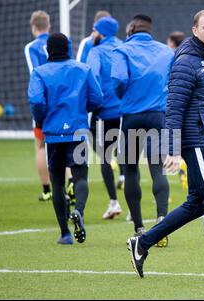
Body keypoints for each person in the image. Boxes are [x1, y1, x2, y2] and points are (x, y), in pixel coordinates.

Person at [127, 10, 204, 281]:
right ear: (195, 30)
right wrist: (172, 148)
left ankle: (142, 243)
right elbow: (173, 109)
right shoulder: (186, 62)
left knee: (197, 203)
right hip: (196, 142)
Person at [28, 33, 103, 245]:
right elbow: (97, 98)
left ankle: (65, 233)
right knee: (80, 177)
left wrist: (42, 120)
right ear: (68, 48)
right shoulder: (82, 69)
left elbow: (36, 101)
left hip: (53, 133)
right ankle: (78, 211)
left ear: (48, 50)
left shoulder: (39, 72)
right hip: (77, 130)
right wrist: (80, 109)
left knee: (58, 183)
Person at [111, 14, 173, 248]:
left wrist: (125, 96)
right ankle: (162, 222)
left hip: (131, 116)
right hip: (159, 114)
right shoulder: (166, 51)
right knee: (158, 169)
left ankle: (138, 227)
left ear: (131, 31)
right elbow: (173, 80)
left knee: (130, 170)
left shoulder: (123, 50)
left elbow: (118, 79)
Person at [24, 10, 74, 202]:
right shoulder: (64, 43)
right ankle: (70, 183)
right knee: (68, 142)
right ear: (49, 26)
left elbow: (34, 73)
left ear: (34, 27)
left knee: (40, 146)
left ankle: (47, 190)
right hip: (65, 100)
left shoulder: (31, 47)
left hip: (44, 101)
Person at [86, 16, 124, 219]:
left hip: (105, 111)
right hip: (126, 111)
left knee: (104, 157)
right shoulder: (124, 47)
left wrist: (93, 104)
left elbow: (92, 78)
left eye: (94, 30)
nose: (92, 34)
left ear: (101, 32)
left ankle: (114, 202)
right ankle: (131, 209)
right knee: (127, 155)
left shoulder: (96, 51)